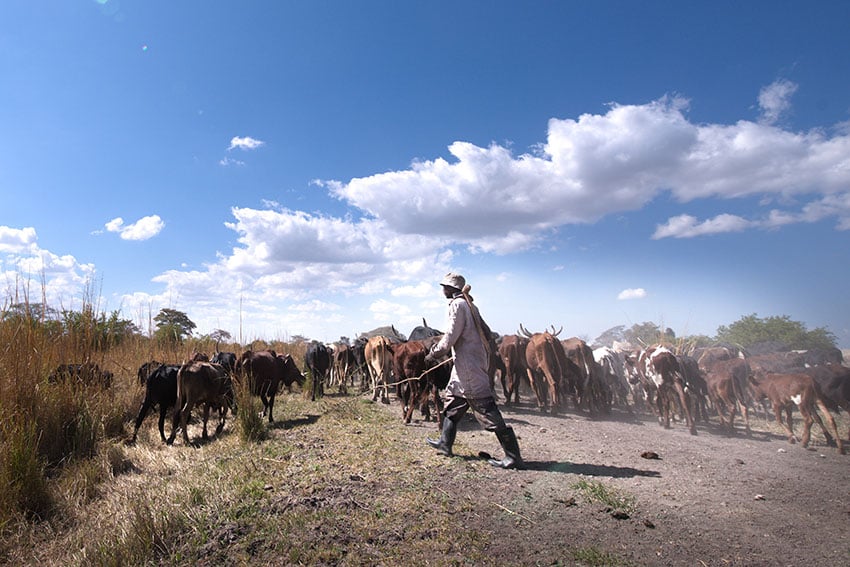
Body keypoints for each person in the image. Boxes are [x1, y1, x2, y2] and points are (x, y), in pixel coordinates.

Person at [425, 272, 523, 469]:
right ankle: (445, 444)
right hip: (467, 363)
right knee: (453, 403)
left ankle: (513, 456)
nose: (442, 289)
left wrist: (435, 353)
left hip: (468, 365)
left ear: (452, 289)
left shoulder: (458, 305)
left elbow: (451, 335)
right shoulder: (470, 305)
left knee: (485, 407)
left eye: (445, 286)